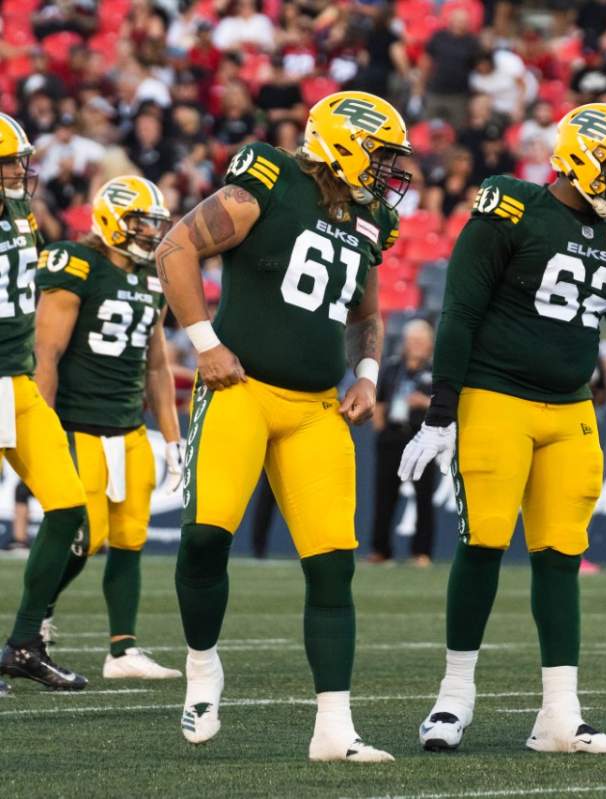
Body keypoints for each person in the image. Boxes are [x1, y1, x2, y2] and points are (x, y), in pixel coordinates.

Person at [399, 102, 606, 754]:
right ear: (580, 158)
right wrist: (441, 411)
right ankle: (453, 696)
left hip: (573, 408)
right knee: (484, 542)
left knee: (560, 556)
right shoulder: (512, 205)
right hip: (496, 398)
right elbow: (459, 310)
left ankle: (559, 716)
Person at [155, 91, 409, 762]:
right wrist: (205, 342)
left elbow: (366, 314)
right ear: (344, 143)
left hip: (317, 406)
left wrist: (369, 375)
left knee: (333, 565)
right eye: (382, 155)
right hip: (241, 390)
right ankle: (203, 664)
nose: (390, 172)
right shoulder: (270, 176)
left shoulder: (368, 217)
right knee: (207, 538)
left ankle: (334, 728)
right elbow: (175, 246)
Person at [32, 175, 183, 679]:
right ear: (112, 220)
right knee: (86, 533)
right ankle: (36, 622)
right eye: (140, 222)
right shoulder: (77, 265)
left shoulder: (154, 278)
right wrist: (44, 421)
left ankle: (122, 650)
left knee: (129, 536)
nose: (148, 232)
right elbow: (46, 351)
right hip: (77, 422)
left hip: (128, 425)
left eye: (153, 224)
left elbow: (158, 366)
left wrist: (174, 436)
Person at [0, 113, 89, 696]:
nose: (19, 171)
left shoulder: (19, 209)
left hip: (18, 381)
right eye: (9, 161)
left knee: (67, 507)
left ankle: (24, 643)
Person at [370, 318, 436, 565]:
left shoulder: (435, 371)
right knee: (384, 495)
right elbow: (378, 399)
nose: (417, 345)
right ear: (405, 343)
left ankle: (421, 552)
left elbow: (447, 404)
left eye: (421, 340)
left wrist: (424, 402)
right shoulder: (392, 367)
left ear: (430, 344)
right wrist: (381, 428)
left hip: (421, 437)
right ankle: (380, 550)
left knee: (422, 497)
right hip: (391, 436)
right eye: (413, 340)